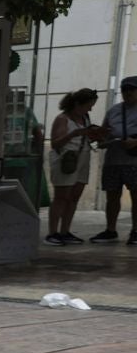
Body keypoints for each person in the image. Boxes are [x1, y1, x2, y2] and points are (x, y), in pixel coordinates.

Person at [45, 88, 101, 245]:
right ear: (77, 104)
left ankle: (65, 231)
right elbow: (56, 143)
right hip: (66, 159)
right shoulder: (62, 119)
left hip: (83, 157)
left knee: (74, 197)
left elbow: (88, 136)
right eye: (88, 105)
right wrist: (75, 134)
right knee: (61, 196)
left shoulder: (85, 118)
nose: (90, 109)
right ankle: (52, 232)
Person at [92, 76, 136, 244]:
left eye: (132, 89)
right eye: (125, 90)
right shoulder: (113, 111)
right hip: (113, 160)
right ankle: (110, 230)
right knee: (112, 197)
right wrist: (100, 138)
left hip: (134, 162)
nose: (128, 93)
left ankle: (135, 231)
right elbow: (104, 134)